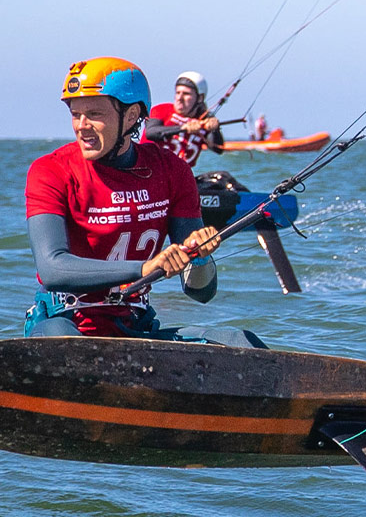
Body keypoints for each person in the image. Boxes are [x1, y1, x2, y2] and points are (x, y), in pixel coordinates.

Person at [24, 57, 265, 348]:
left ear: (131, 115)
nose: (82, 126)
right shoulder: (51, 170)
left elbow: (200, 293)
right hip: (65, 324)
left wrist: (199, 256)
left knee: (240, 341)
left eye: (94, 114)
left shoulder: (172, 170)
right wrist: (145, 268)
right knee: (71, 345)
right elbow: (52, 269)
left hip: (134, 327)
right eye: (76, 115)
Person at [142, 71, 224, 168]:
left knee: (223, 178)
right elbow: (151, 133)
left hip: (180, 177)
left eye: (186, 94)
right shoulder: (161, 110)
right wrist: (184, 128)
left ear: (200, 98)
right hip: (151, 170)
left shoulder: (203, 120)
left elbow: (218, 149)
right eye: (177, 93)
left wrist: (214, 129)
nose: (179, 98)